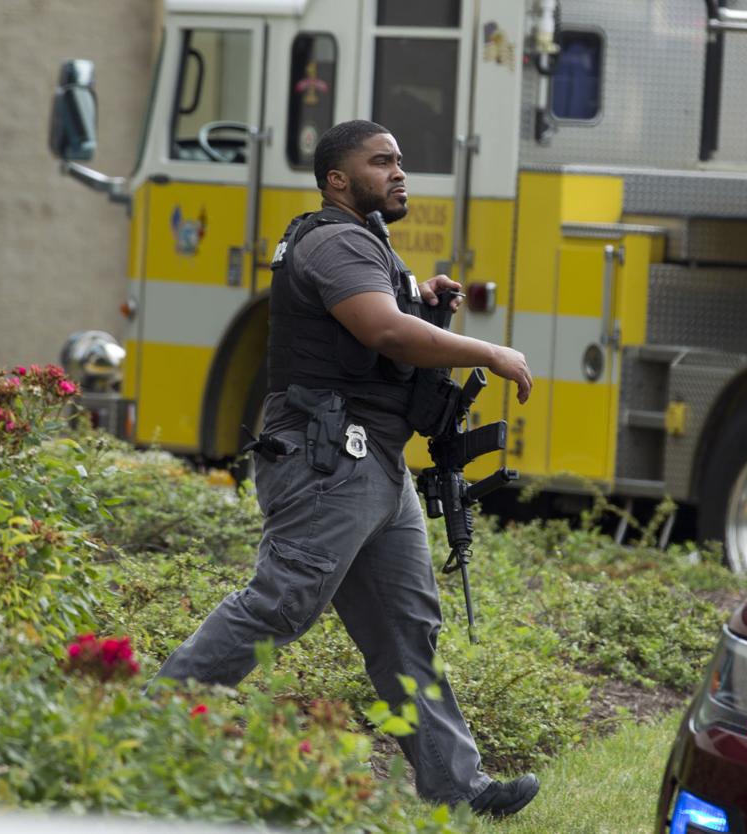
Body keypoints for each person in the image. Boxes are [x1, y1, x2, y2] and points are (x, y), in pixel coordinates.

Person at [152, 119, 538, 818]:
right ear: (337, 179)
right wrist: (487, 352)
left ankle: (460, 785)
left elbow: (387, 318)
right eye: (380, 161)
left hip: (373, 463)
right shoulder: (335, 241)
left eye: (400, 160)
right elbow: (382, 331)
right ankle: (144, 719)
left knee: (405, 626)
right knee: (281, 602)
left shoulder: (363, 243)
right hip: (329, 457)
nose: (398, 173)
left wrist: (423, 300)